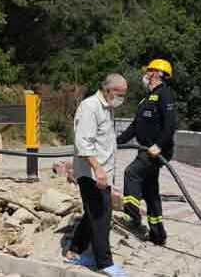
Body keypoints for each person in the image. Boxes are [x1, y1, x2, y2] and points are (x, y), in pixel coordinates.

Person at [66, 73, 129, 277]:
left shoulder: (107, 108)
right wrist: (98, 169)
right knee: (102, 215)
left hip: (102, 173)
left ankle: (74, 250)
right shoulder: (90, 107)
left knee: (94, 211)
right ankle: (104, 262)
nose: (121, 98)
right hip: (91, 173)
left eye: (123, 94)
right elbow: (83, 142)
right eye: (119, 93)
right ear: (108, 89)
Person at [117, 59, 178, 246]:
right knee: (151, 191)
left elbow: (170, 124)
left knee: (131, 173)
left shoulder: (164, 95)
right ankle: (158, 234)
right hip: (145, 150)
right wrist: (115, 143)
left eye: (148, 71)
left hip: (155, 151)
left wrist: (159, 146)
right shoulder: (146, 98)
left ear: (157, 74)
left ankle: (132, 216)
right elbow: (135, 126)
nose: (145, 74)